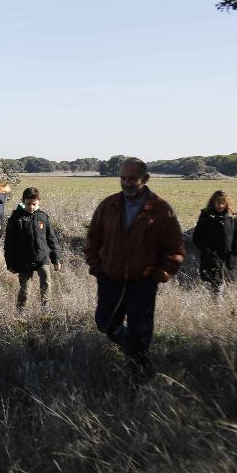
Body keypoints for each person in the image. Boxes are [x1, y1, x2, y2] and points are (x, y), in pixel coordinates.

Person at [84, 158, 184, 374]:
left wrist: (160, 274)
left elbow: (175, 247)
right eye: (123, 178)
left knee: (140, 329)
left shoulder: (161, 210)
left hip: (143, 282)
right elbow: (92, 240)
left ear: (145, 179)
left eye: (132, 179)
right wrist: (97, 268)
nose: (127, 183)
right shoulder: (108, 205)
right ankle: (136, 354)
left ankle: (138, 373)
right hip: (110, 278)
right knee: (105, 323)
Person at [4, 187, 61, 310]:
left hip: (42, 258)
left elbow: (52, 239)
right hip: (24, 260)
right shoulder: (16, 218)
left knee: (46, 284)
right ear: (23, 201)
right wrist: (10, 264)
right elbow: (9, 244)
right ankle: (20, 312)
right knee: (25, 288)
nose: (31, 207)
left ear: (39, 202)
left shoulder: (43, 217)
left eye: (34, 204)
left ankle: (46, 310)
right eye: (28, 204)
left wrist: (56, 259)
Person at [191, 190, 237, 300]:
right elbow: (197, 237)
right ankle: (216, 306)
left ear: (227, 203)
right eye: (218, 202)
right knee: (216, 284)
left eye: (223, 203)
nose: (220, 205)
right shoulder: (206, 216)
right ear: (213, 202)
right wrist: (206, 249)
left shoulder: (232, 217)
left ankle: (219, 307)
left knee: (225, 285)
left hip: (228, 258)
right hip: (211, 257)